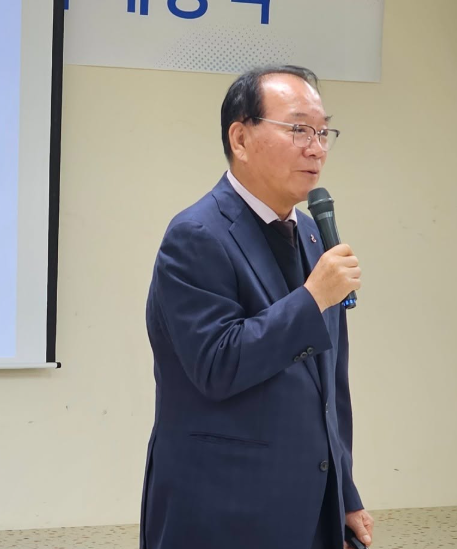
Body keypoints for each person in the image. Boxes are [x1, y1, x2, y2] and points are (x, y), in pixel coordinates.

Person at [139, 66, 375, 549]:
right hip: (222, 507)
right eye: (298, 129)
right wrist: (313, 298)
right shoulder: (196, 235)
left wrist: (344, 493)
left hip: (310, 502)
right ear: (241, 139)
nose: (316, 148)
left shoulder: (313, 234)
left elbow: (331, 385)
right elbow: (217, 364)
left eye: (323, 132)